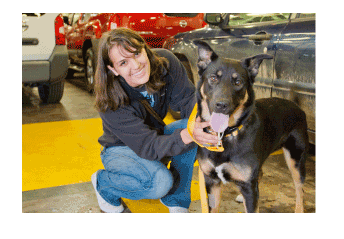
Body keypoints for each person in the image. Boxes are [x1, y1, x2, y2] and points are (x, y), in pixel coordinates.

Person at [91, 28, 219, 213]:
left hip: (155, 137)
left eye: (137, 53)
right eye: (123, 62)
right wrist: (189, 134)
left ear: (145, 48)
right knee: (159, 182)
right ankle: (104, 184)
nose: (136, 65)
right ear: (113, 69)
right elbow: (148, 146)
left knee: (189, 125)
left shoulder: (165, 63)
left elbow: (188, 99)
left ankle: (177, 202)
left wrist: (203, 124)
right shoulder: (110, 101)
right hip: (121, 149)